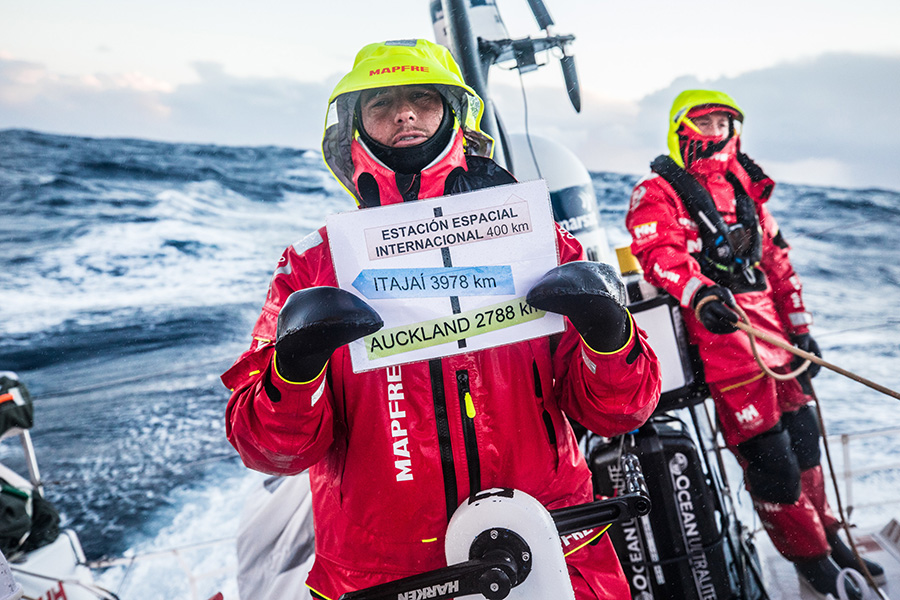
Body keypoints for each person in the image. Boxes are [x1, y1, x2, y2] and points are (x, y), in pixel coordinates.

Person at [224, 39, 661, 599]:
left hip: (550, 546)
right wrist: (295, 370)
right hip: (386, 577)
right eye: (381, 103)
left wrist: (610, 336)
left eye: (423, 99)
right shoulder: (311, 266)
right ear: (353, 127)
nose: (404, 113)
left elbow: (622, 410)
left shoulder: (537, 243)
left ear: (454, 114)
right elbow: (266, 449)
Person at [625, 89, 883, 599]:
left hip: (777, 342)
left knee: (806, 442)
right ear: (683, 129)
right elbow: (658, 254)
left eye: (724, 122)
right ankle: (811, 562)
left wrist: (801, 326)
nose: (716, 131)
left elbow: (780, 264)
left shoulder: (746, 192)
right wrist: (700, 295)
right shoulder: (657, 191)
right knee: (773, 466)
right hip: (722, 345)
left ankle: (829, 535)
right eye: (706, 122)